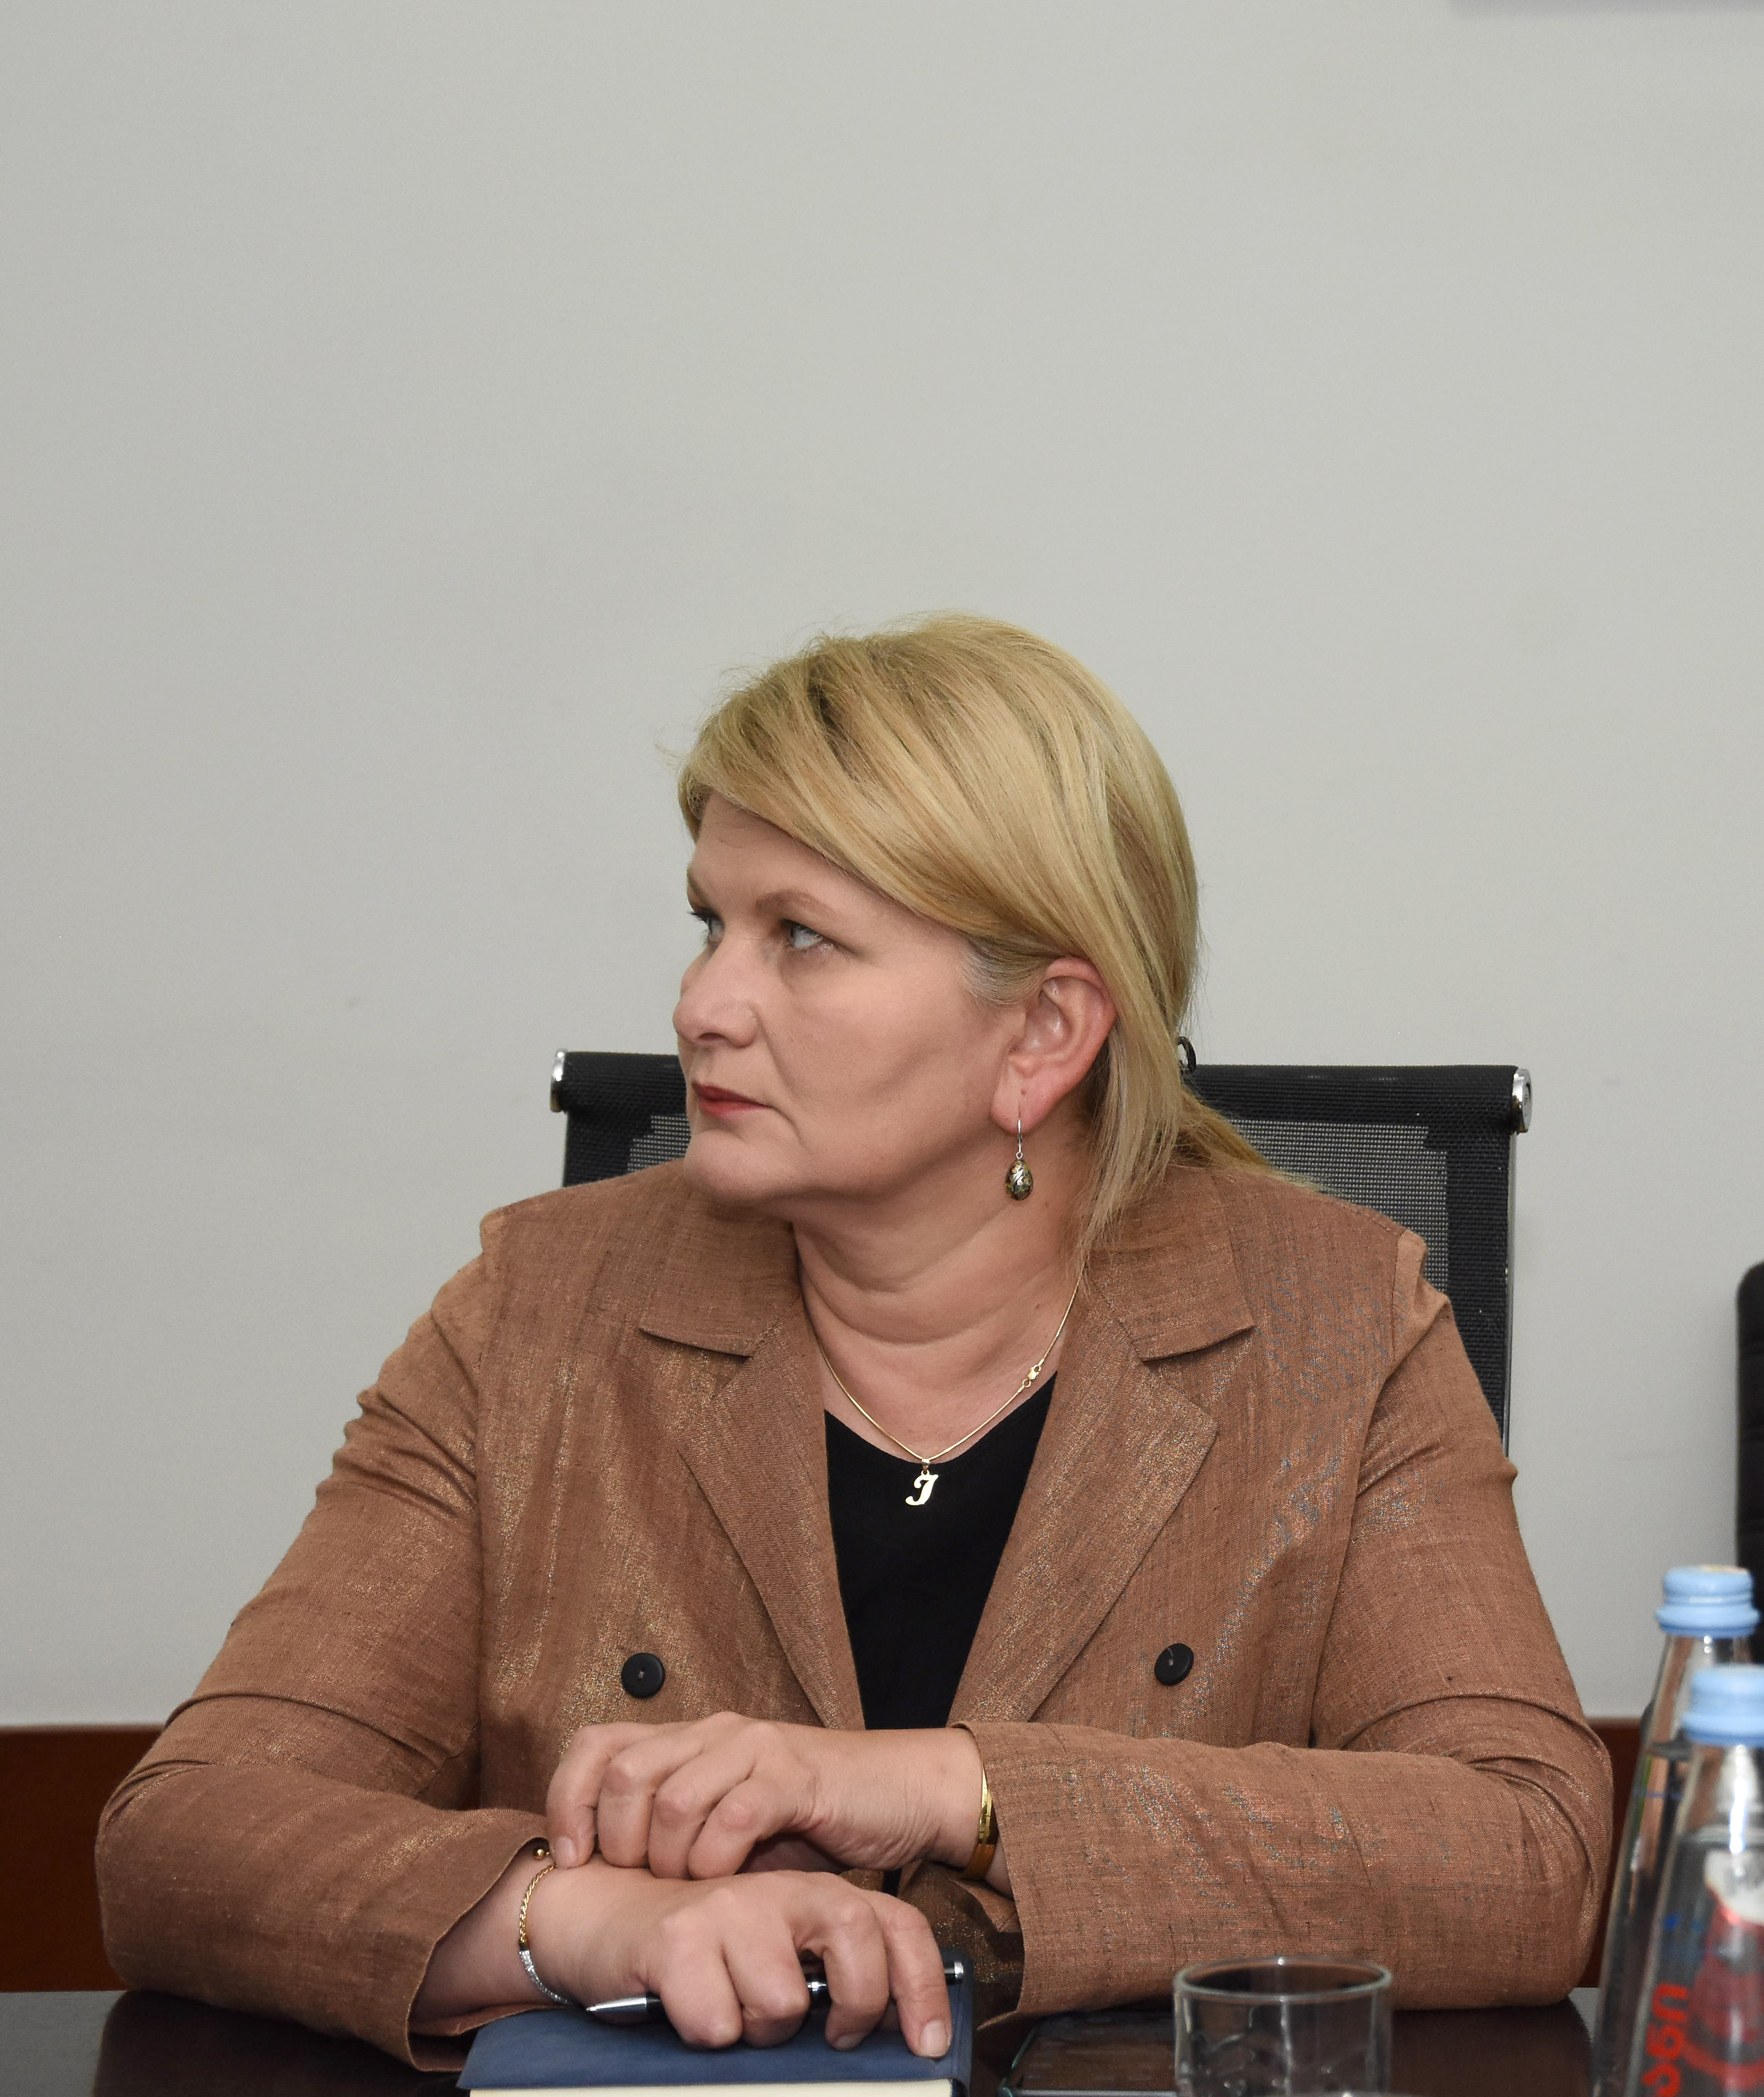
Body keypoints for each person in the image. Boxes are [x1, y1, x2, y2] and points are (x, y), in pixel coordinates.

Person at [98, 617, 1609, 2068]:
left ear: (1043, 1034)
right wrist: (583, 1922)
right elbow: (186, 1833)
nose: (703, 1004)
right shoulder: (534, 1314)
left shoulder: (1335, 1326)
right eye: (712, 925)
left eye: (802, 939)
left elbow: (1527, 1854)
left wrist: (951, 1785)